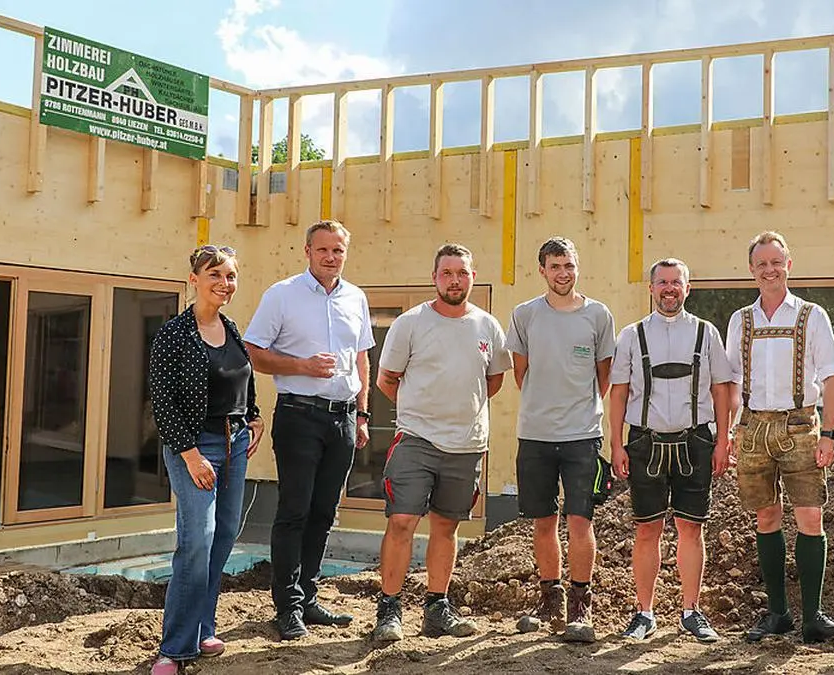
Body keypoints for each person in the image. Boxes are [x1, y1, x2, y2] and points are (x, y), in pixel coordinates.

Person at [372, 243, 513, 642]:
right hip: (416, 439)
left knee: (447, 526)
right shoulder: (411, 323)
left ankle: (437, 607)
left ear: (472, 275)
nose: (455, 280)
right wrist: (422, 411)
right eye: (447, 273)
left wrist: (459, 411)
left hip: (467, 444)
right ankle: (390, 609)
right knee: (401, 521)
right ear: (435, 277)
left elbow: (494, 380)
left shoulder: (487, 326)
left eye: (462, 273)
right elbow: (387, 380)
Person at [243, 220, 375, 640]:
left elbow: (362, 360)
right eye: (323, 250)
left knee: (324, 512)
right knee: (294, 511)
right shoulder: (282, 295)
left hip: (343, 419)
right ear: (307, 251)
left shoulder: (356, 297)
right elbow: (254, 352)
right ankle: (286, 607)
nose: (330, 257)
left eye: (338, 250)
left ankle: (309, 598)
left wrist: (362, 415)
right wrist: (301, 366)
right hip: (299, 415)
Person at [726, 231, 834, 645]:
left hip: (801, 426)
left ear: (789, 265)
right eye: (761, 263)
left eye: (776, 262)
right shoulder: (740, 319)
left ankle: (814, 615)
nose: (769, 270)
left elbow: (832, 378)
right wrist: (729, 431)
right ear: (751, 270)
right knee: (765, 517)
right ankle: (777, 613)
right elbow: (730, 381)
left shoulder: (811, 315)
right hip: (753, 427)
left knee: (810, 517)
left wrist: (830, 434)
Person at [148, 245, 264, 675]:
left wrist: (253, 418)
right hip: (193, 447)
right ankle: (175, 648)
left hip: (234, 446)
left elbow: (242, 380)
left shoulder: (231, 328)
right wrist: (192, 455)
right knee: (197, 539)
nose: (224, 283)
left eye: (230, 275)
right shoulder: (174, 334)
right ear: (194, 278)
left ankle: (202, 626)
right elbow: (163, 402)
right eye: (215, 274)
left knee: (224, 535)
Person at [609, 258, 732, 643]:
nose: (669, 288)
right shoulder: (631, 335)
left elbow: (721, 389)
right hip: (645, 442)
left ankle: (691, 611)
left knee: (691, 528)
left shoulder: (706, 333)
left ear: (687, 288)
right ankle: (644, 613)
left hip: (696, 441)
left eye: (676, 282)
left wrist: (723, 441)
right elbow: (619, 392)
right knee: (647, 529)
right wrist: (616, 443)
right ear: (651, 288)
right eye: (662, 282)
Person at [508, 237, 615, 643]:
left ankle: (580, 604)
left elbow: (604, 376)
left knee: (580, 520)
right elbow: (521, 373)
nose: (563, 273)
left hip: (582, 436)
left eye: (569, 265)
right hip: (534, 435)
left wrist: (578, 407)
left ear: (577, 267)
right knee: (543, 520)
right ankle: (549, 597)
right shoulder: (525, 315)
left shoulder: (597, 315)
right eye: (555, 266)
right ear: (542, 271)